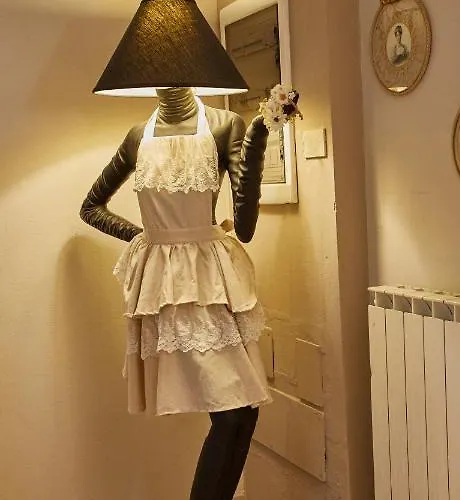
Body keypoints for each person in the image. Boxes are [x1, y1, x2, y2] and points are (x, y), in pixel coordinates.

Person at [80, 87, 299, 500]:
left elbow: (245, 227)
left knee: (243, 413)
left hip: (215, 281)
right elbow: (90, 207)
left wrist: (254, 145)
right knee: (233, 415)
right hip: (170, 288)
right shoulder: (137, 136)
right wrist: (148, 239)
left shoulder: (224, 124)